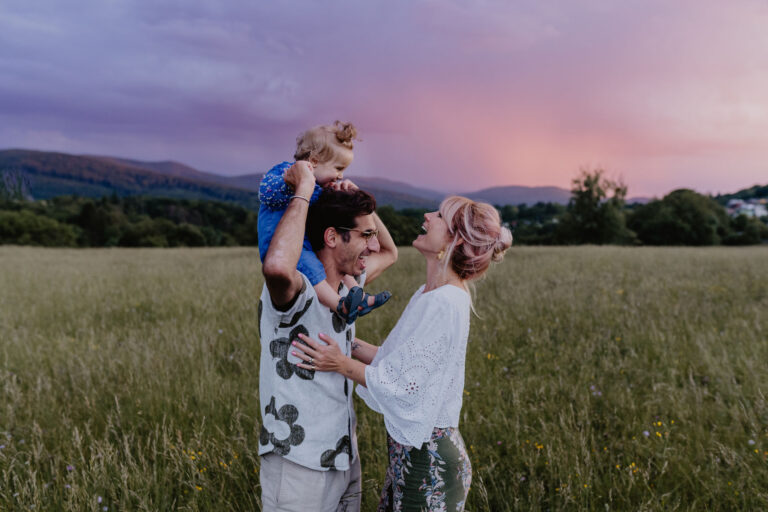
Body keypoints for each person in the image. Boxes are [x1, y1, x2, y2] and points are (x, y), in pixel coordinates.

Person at [292, 196, 513, 512]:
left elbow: (402, 385)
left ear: (455, 239)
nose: (426, 215)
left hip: (430, 463)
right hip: (412, 457)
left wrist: (340, 363)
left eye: (437, 215)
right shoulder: (429, 293)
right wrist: (347, 345)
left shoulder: (445, 302)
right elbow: (395, 360)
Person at [258, 161, 398, 512]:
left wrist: (362, 206)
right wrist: (304, 190)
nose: (373, 244)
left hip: (343, 456)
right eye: (365, 235)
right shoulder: (296, 291)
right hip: (298, 462)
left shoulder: (351, 286)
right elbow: (276, 264)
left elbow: (390, 253)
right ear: (332, 237)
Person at [258, 121, 391, 324]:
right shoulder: (286, 172)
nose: (341, 175)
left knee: (337, 268)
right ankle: (340, 305)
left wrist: (352, 195)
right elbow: (266, 192)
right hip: (285, 245)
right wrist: (297, 183)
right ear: (314, 161)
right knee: (313, 269)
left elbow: (389, 252)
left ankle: (360, 297)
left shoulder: (319, 189)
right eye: (338, 168)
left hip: (308, 242)